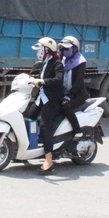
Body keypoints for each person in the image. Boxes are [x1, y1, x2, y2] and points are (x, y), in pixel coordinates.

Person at [28, 37, 63, 173]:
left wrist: (43, 81)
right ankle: (31, 146)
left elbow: (58, 79)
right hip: (42, 98)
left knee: (44, 125)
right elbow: (37, 75)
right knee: (30, 116)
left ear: (47, 50)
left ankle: (49, 160)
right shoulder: (44, 63)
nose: (39, 52)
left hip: (53, 100)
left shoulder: (57, 64)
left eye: (41, 49)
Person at [58, 36, 89, 137]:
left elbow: (78, 82)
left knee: (65, 107)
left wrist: (69, 97)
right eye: (62, 49)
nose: (64, 51)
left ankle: (77, 130)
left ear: (75, 49)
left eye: (67, 49)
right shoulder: (62, 61)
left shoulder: (80, 62)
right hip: (65, 93)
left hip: (78, 95)